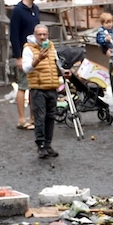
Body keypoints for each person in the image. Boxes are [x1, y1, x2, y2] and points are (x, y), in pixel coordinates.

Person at [21, 23, 64, 158]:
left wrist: (63, 72)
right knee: (40, 117)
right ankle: (40, 146)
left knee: (51, 117)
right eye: (39, 34)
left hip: (52, 86)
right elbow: (26, 68)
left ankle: (48, 145)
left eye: (44, 34)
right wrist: (38, 59)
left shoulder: (51, 46)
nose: (42, 37)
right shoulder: (28, 49)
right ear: (35, 35)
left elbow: (56, 64)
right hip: (38, 88)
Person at [9, 0, 42, 129]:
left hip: (35, 50)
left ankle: (33, 118)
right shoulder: (18, 10)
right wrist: (18, 57)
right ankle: (22, 119)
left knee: (34, 85)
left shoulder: (35, 9)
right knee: (23, 85)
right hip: (24, 51)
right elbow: (14, 34)